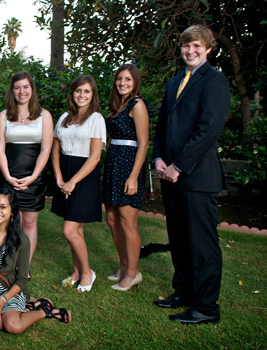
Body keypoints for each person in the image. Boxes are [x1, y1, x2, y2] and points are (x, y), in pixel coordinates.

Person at [152, 25, 230, 324]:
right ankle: (182, 292)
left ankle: (206, 307)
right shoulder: (174, 83)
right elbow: (163, 126)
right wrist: (159, 158)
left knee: (202, 244)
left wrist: (178, 166)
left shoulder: (215, 81)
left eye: (196, 45)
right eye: (186, 46)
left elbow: (207, 131)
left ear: (208, 48)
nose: (190, 51)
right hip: (169, 176)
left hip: (197, 178)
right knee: (179, 240)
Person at [0, 187, 71, 333]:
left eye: (3, 207)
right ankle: (30, 305)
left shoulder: (22, 240)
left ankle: (44, 311)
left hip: (9, 291)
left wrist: (3, 299)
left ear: (12, 211)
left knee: (13, 326)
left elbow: (22, 279)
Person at [0, 71, 53, 275]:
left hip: (33, 177)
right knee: (11, 221)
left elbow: (46, 149)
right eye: (17, 87)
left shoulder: (44, 115)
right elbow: (0, 149)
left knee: (29, 222)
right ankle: (9, 262)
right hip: (9, 175)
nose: (22, 91)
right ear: (12, 91)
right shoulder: (3, 116)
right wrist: (8, 176)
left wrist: (34, 176)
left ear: (32, 89)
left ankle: (24, 267)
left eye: (26, 87)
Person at [51, 75, 106, 293]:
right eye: (78, 91)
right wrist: (58, 178)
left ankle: (87, 272)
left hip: (84, 177)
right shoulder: (64, 118)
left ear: (92, 95)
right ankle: (76, 271)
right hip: (64, 173)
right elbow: (56, 150)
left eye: (87, 91)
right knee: (77, 229)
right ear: (72, 93)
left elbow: (94, 157)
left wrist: (73, 181)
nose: (82, 95)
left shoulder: (96, 119)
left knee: (69, 230)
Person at [102, 64, 150, 291]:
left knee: (127, 221)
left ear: (135, 82)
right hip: (113, 163)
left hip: (128, 165)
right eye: (120, 79)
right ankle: (123, 266)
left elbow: (144, 143)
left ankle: (133, 273)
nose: (123, 83)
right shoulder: (117, 105)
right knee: (112, 219)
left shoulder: (137, 104)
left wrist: (133, 177)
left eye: (128, 79)